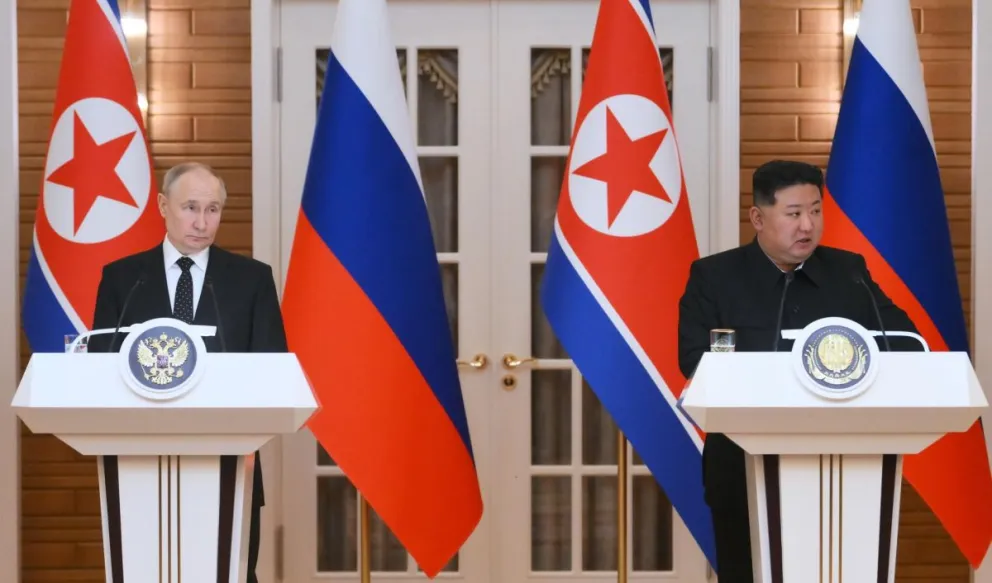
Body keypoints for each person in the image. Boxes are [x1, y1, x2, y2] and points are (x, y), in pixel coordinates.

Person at [677, 159, 920, 582]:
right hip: (740, 465)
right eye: (793, 213)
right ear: (758, 218)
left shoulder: (849, 272)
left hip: (844, 467)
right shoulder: (714, 277)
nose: (807, 225)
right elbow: (694, 360)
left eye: (815, 211)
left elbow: (905, 341)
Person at [89, 161, 287, 583]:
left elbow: (272, 370)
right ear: (164, 206)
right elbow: (99, 368)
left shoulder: (252, 280)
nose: (202, 222)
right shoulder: (123, 279)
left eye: (213, 210)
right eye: (190, 208)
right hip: (139, 466)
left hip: (230, 463)